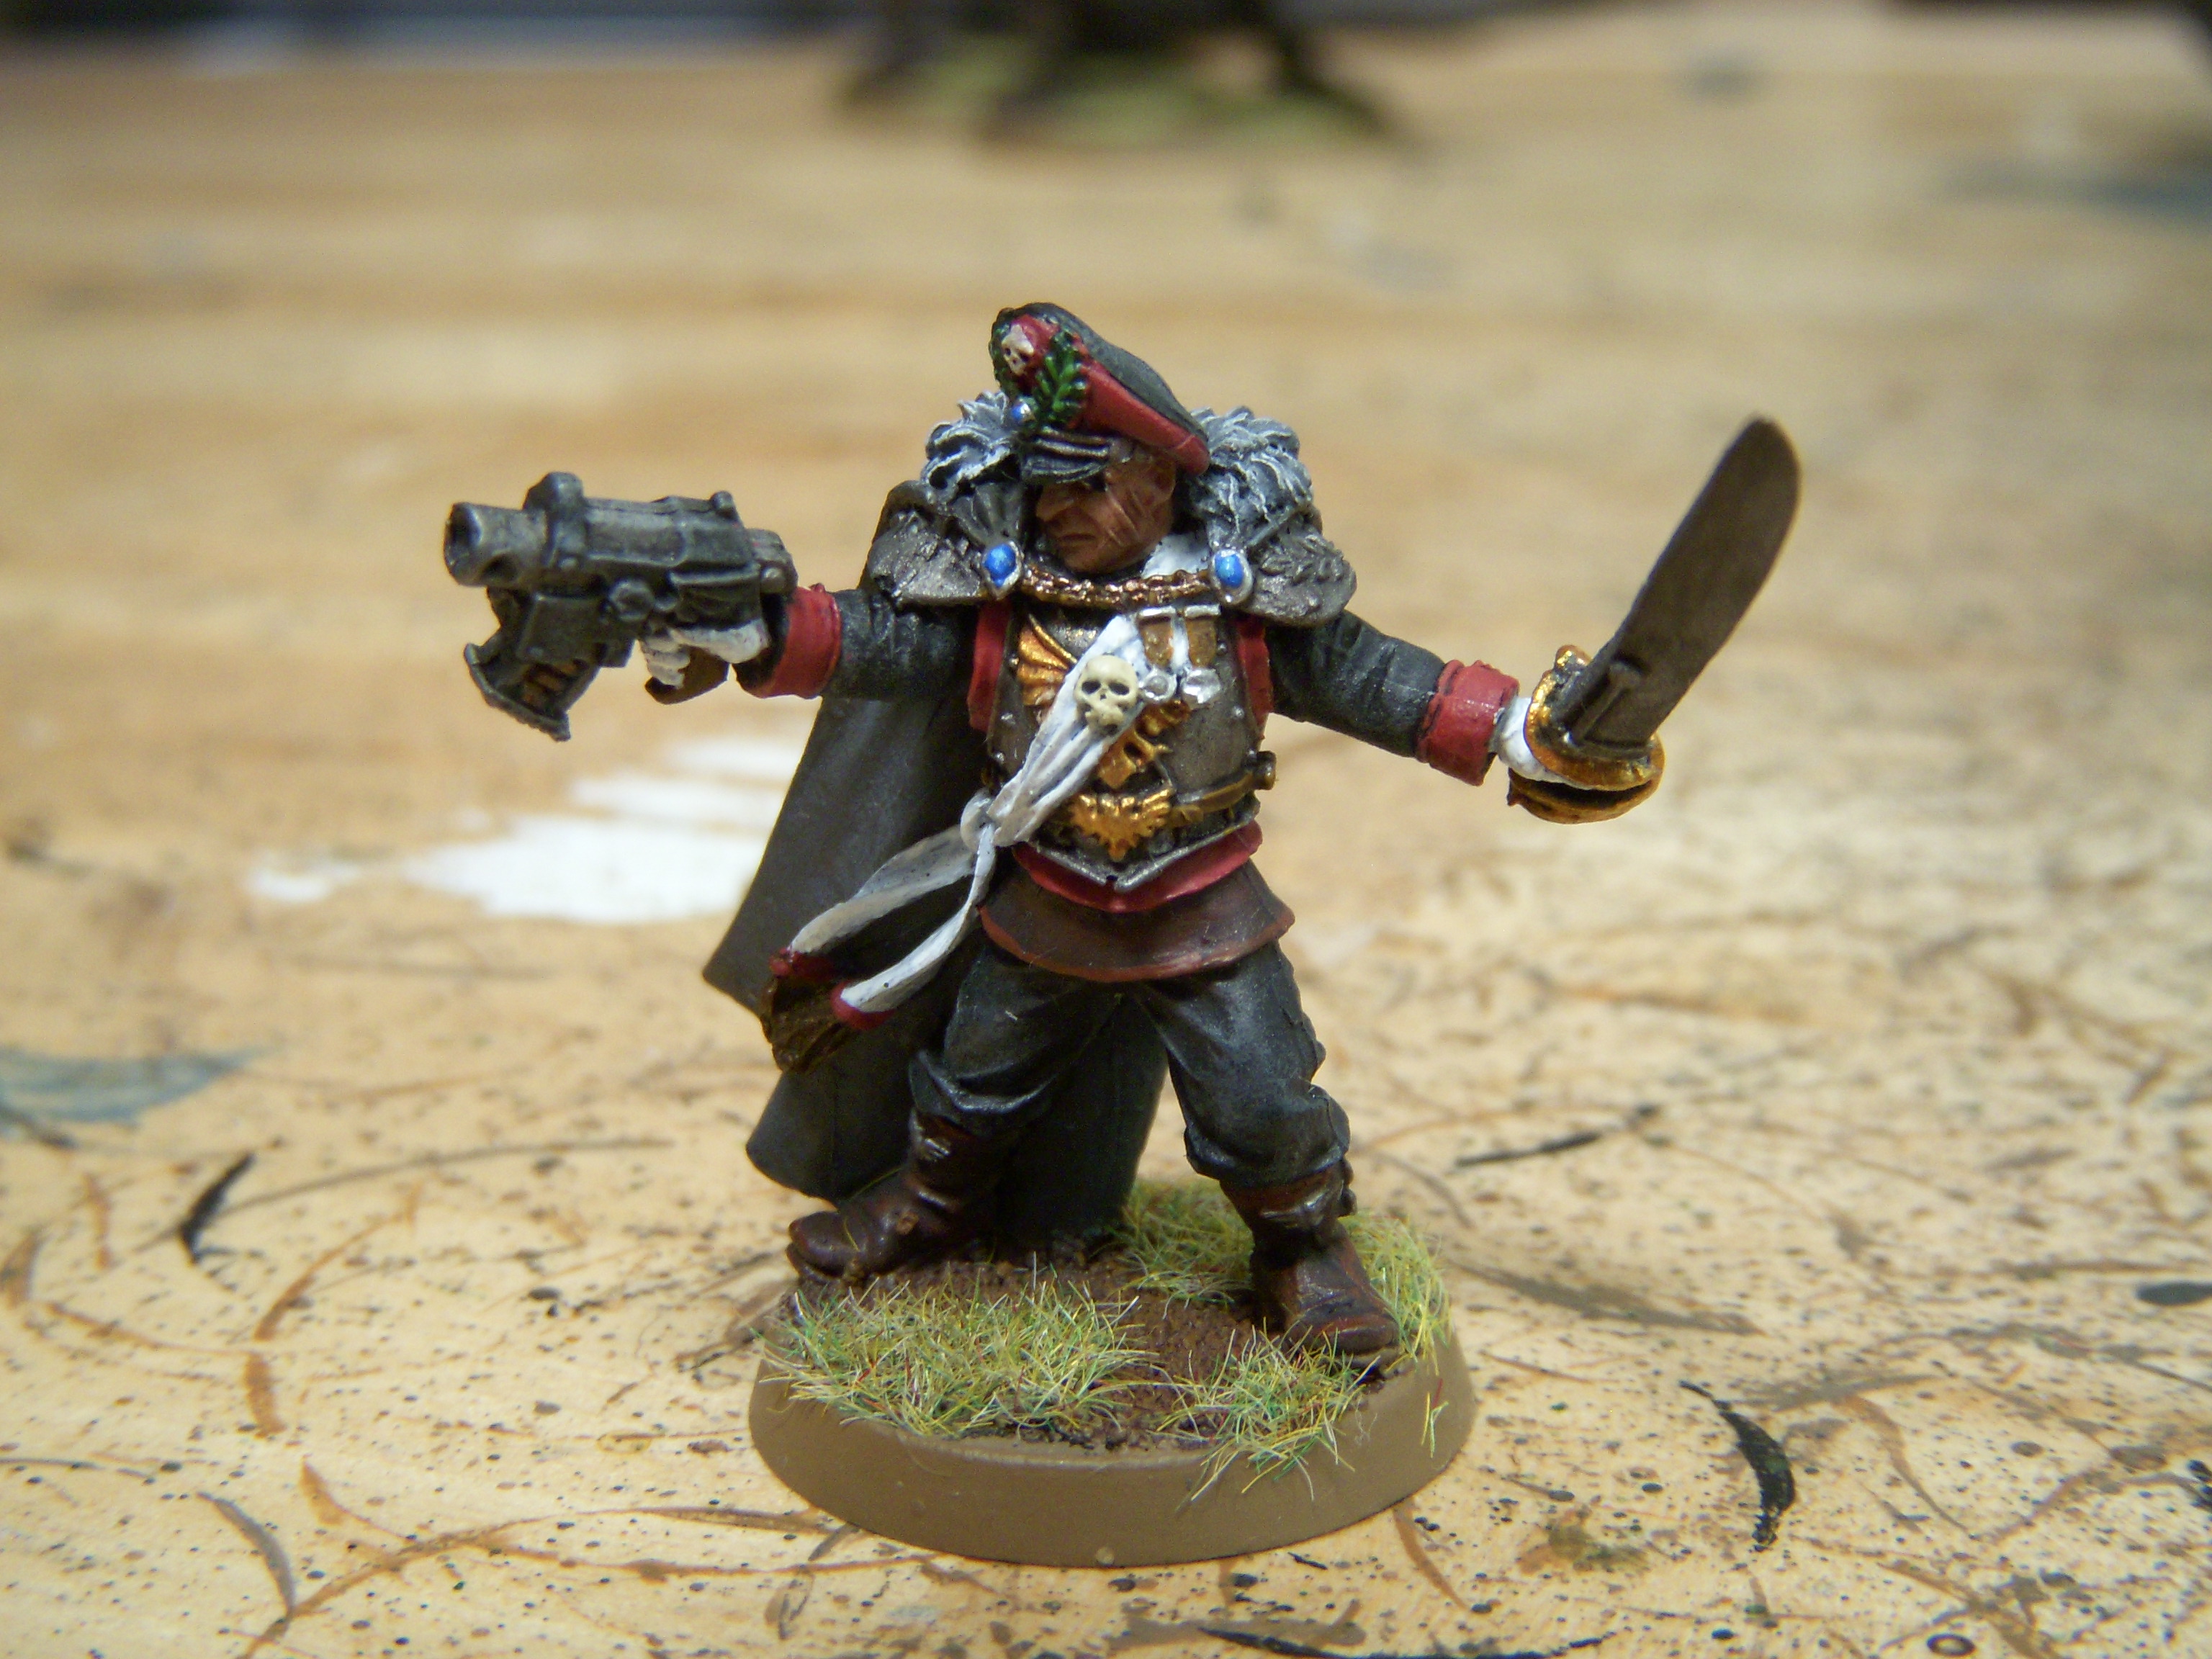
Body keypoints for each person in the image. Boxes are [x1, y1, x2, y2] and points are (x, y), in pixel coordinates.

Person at [649, 304, 1594, 1357]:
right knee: (972, 1079)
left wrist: (1511, 728)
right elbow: (882, 644)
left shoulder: (1241, 601)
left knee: (1260, 1095)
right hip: (1044, 898)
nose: (1060, 509)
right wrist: (759, 632)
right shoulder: (1007, 599)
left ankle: (1305, 1253)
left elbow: (1376, 679)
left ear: (1156, 478)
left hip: (1201, 905)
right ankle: (929, 1207)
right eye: (1048, 485)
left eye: (1089, 484)